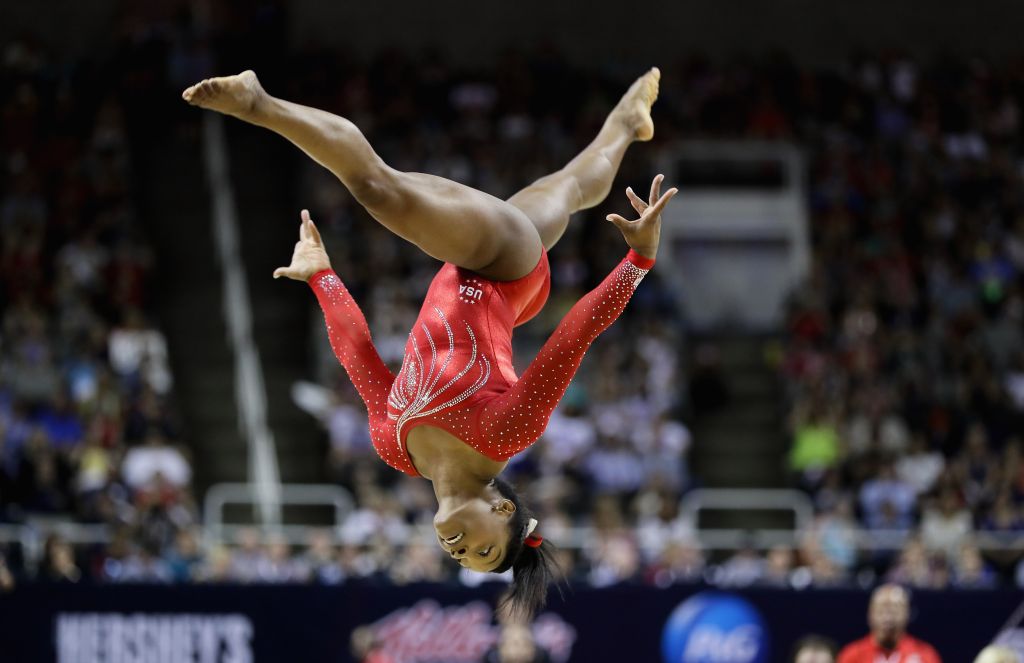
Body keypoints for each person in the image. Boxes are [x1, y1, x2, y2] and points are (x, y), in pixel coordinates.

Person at [183, 68, 675, 619]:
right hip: (500, 264)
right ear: (502, 506)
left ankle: (624, 125)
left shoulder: (396, 448)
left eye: (464, 560)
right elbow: (571, 339)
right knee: (376, 189)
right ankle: (258, 102)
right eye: (484, 548)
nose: (460, 551)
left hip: (505, 287)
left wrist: (322, 277)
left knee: (567, 188)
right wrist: (639, 262)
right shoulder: (506, 432)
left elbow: (359, 359)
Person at [837, 584, 942, 663]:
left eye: (894, 610)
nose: (887, 616)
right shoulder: (852, 655)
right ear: (870, 614)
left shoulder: (925, 655)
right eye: (881, 610)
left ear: (908, 614)